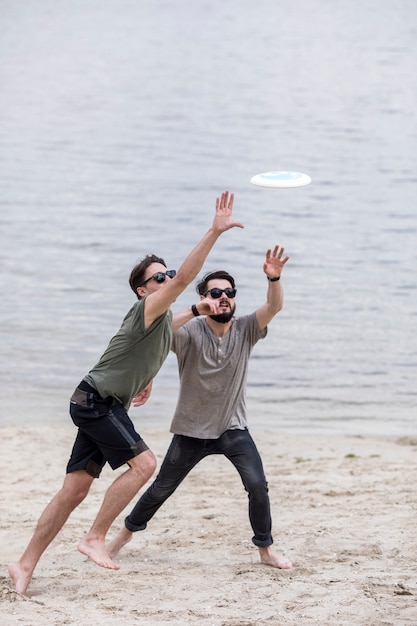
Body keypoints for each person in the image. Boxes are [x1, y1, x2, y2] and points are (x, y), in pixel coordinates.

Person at [8, 191, 244, 595]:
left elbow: (167, 329)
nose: (168, 279)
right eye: (159, 277)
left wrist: (151, 369)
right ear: (141, 291)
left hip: (97, 402)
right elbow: (187, 280)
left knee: (75, 489)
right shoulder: (147, 309)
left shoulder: (159, 320)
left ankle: (24, 564)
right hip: (96, 403)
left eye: (168, 274)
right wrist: (214, 231)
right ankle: (94, 537)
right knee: (145, 465)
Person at [107, 244, 292, 570]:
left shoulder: (246, 328)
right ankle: (121, 537)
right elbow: (156, 332)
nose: (224, 297)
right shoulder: (190, 330)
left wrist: (274, 278)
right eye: (215, 292)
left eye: (229, 292)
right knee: (161, 488)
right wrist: (194, 312)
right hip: (191, 431)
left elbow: (273, 307)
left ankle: (266, 550)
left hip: (233, 429)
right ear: (204, 297)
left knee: (258, 485)